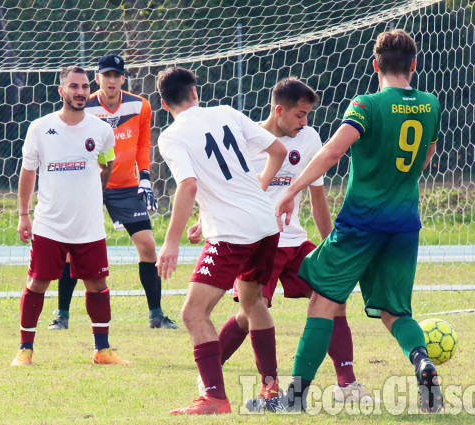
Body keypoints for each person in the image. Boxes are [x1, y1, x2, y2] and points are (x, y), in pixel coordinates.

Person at [260, 29, 442, 413]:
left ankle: (293, 400)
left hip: (361, 223)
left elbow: (332, 151)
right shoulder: (431, 104)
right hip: (405, 224)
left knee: (323, 303)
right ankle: (422, 360)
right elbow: (426, 159)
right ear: (413, 65)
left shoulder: (367, 104)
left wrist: (292, 190)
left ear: (375, 65)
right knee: (396, 312)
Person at [197, 77, 376, 404]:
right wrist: (202, 221)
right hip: (257, 243)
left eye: (307, 115)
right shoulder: (244, 141)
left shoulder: (308, 138)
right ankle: (212, 372)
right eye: (299, 115)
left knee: (332, 298)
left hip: (294, 243)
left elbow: (317, 194)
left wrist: (329, 243)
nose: (305, 122)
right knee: (251, 312)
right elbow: (223, 190)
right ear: (279, 110)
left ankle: (346, 385)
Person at [156, 66, 287, 415]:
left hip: (234, 234)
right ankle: (270, 388)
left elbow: (188, 185)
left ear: (164, 102)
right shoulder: (226, 112)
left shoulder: (171, 136)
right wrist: (250, 195)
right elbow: (279, 151)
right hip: (265, 223)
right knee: (252, 302)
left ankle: (214, 397)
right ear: (195, 93)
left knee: (193, 312)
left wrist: (171, 242)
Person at [11, 66, 131, 366]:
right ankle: (25, 350)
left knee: (98, 285)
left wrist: (95, 192)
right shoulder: (40, 127)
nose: (80, 92)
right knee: (37, 283)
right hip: (49, 224)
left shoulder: (101, 130)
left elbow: (108, 163)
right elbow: (28, 172)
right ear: (62, 90)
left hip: (88, 225)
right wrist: (23, 214)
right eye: (74, 86)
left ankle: (102, 351)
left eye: (84, 86)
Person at [48, 54, 177, 331]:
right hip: (89, 185)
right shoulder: (84, 106)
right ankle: (62, 316)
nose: (111, 80)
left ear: (123, 79)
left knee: (147, 244)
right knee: (73, 250)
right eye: (106, 75)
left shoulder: (140, 106)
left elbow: (143, 145)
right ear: (98, 79)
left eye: (116, 75)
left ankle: (156, 315)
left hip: (126, 187)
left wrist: (145, 176)